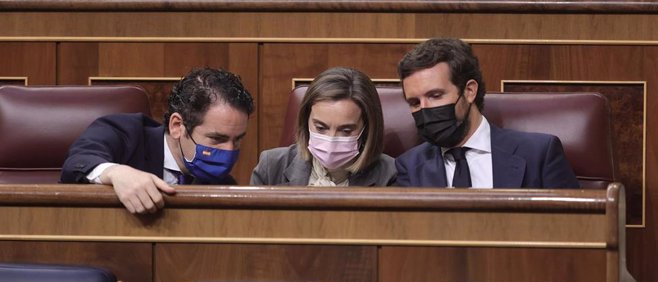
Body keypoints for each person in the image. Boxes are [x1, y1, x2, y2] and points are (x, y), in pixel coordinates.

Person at [61, 67, 254, 213]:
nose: (229, 151)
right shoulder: (127, 134)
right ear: (177, 126)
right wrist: (116, 173)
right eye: (216, 138)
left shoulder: (223, 184)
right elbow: (77, 163)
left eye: (237, 140)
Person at [394, 38, 579, 188]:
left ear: (469, 91)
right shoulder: (409, 167)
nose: (425, 109)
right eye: (414, 102)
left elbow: (574, 228)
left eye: (435, 95)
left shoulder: (538, 153)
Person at [250, 67, 396, 186]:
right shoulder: (271, 167)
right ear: (305, 122)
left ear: (367, 130)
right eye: (321, 128)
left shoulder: (391, 175)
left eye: (346, 131)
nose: (331, 139)